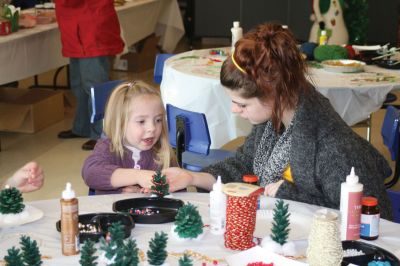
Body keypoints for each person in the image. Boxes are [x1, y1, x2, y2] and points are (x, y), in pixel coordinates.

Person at [164, 23, 393, 220]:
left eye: (242, 104)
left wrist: (287, 194)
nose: (234, 111)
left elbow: (360, 219)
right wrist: (193, 177)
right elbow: (246, 164)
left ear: (276, 93)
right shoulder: (276, 119)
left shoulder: (333, 148)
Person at [82, 81, 177, 195]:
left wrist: (153, 193)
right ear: (120, 123)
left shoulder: (163, 152)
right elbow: (91, 173)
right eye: (141, 121)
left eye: (158, 120)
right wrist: (137, 176)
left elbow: (180, 191)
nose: (152, 128)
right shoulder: (108, 147)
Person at [55, 0, 124, 150]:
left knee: (95, 88)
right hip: (77, 29)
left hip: (90, 28)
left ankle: (102, 134)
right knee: (79, 86)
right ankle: (82, 127)